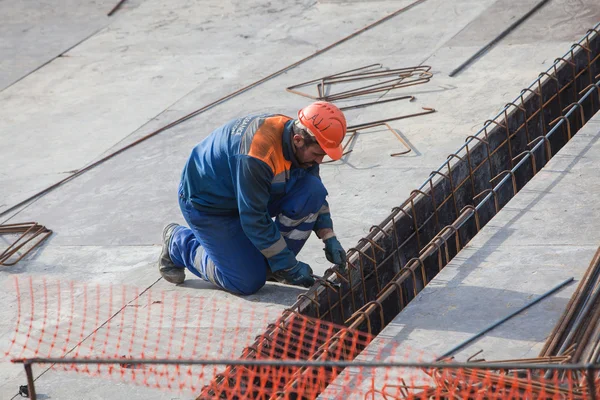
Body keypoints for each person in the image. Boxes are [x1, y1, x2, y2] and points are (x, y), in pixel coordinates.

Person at [157, 101, 348, 295]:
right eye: (317, 154)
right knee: (246, 281)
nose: (319, 160)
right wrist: (289, 265)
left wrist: (328, 236)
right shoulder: (257, 155)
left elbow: (313, 190)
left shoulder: (298, 138)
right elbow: (254, 218)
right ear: (298, 140)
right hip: (209, 206)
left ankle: (273, 266)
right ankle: (179, 244)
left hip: (247, 195)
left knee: (311, 189)